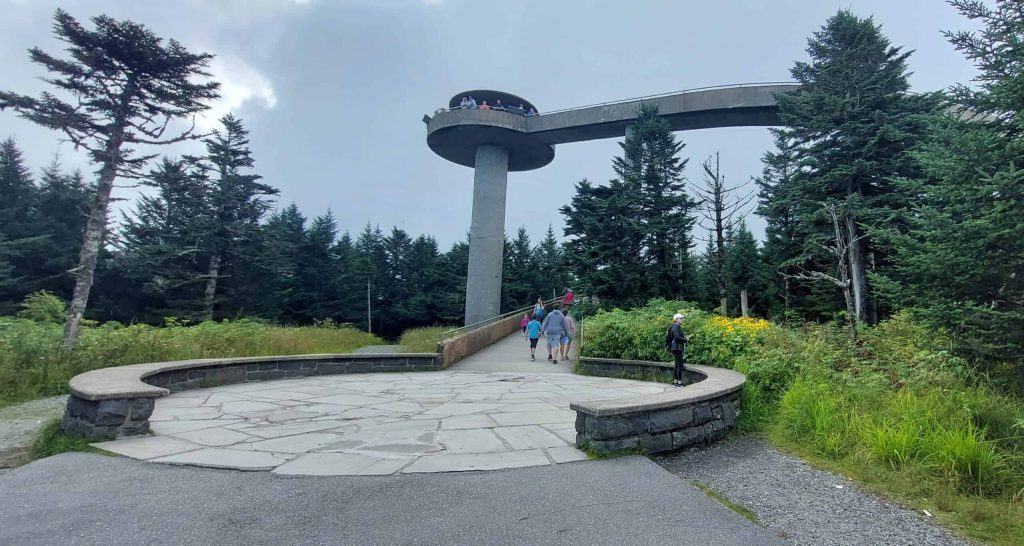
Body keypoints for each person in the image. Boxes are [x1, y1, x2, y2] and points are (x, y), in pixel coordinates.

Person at [665, 313, 689, 387]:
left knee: (677, 364)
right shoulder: (675, 327)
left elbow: (677, 337)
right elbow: (677, 337)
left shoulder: (677, 327)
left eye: (682, 318)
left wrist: (685, 338)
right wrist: (685, 339)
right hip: (676, 348)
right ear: (676, 319)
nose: (682, 319)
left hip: (677, 348)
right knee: (680, 365)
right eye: (680, 318)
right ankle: (679, 383)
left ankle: (675, 381)